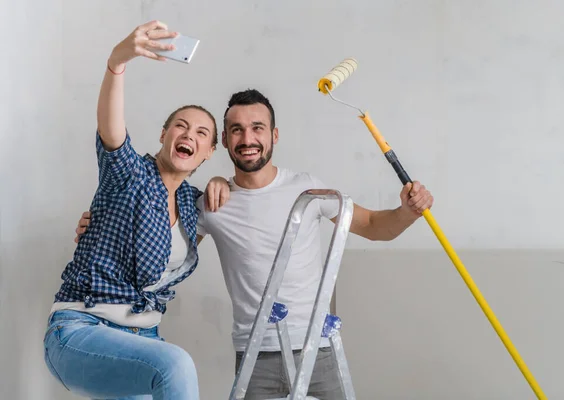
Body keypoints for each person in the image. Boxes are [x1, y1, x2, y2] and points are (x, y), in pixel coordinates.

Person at [76, 89, 434, 399]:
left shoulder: (307, 189)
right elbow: (160, 245)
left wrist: (407, 211)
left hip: (319, 350)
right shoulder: (211, 203)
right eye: (237, 130)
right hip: (255, 354)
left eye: (257, 128)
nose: (248, 138)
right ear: (226, 142)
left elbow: (374, 227)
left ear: (274, 135)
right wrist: (103, 227)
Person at [44, 21, 227, 400]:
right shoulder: (129, 175)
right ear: (164, 135)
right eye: (180, 126)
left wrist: (223, 183)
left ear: (208, 152)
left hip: (143, 340)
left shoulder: (194, 207)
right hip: (81, 330)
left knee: (168, 365)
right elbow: (112, 132)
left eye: (201, 133)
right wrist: (117, 63)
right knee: (176, 365)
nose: (188, 135)